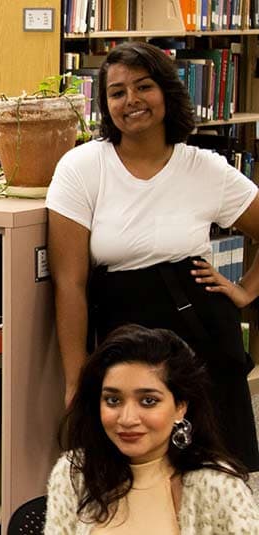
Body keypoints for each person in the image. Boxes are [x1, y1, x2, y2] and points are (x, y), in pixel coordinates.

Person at [46, 40, 259, 471]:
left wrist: (245, 292)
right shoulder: (82, 167)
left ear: (166, 91)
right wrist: (76, 377)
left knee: (214, 479)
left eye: (143, 87)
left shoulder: (205, 168)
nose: (132, 101)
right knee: (133, 476)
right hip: (123, 341)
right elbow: (69, 283)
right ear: (106, 104)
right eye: (117, 92)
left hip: (202, 341)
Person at [45, 324, 259, 533]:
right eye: (112, 400)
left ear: (180, 407)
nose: (127, 419)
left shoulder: (218, 486)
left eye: (148, 401)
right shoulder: (74, 473)